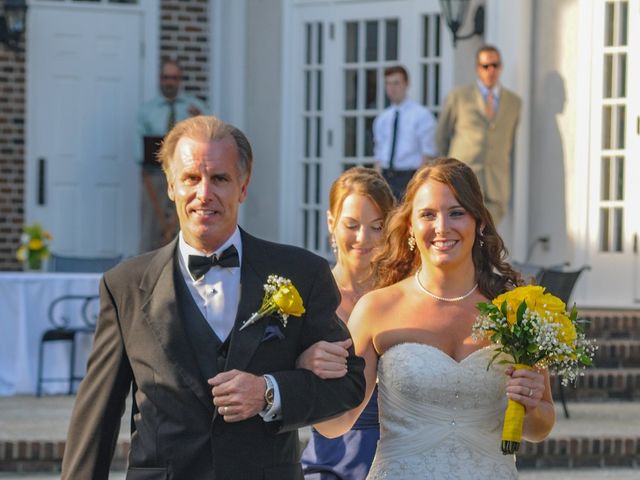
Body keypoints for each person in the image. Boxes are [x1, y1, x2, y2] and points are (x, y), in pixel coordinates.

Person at [61, 115, 366, 479]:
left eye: (219, 178)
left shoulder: (301, 272)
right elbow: (99, 416)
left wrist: (270, 392)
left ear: (243, 187)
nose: (204, 193)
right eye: (191, 178)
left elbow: (349, 384)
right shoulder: (125, 285)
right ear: (172, 185)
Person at [311, 158, 555, 479]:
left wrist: (533, 404)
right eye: (427, 214)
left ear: (479, 222)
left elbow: (539, 428)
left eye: (456, 212)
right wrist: (313, 375)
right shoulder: (377, 309)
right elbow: (335, 424)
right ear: (410, 226)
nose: (442, 227)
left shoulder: (516, 310)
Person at [297, 168, 395, 479]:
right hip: (332, 456)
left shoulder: (402, 296)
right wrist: (301, 362)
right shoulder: (307, 297)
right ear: (331, 223)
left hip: (399, 452)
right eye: (351, 225)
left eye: (376, 227)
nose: (363, 238)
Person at [436, 45, 521, 225]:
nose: (491, 70)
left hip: (497, 185)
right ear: (477, 68)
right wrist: (448, 172)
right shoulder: (459, 97)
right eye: (486, 66)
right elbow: (441, 137)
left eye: (495, 65)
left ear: (501, 67)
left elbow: (510, 143)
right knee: (464, 234)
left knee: (488, 240)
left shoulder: (514, 103)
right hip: (464, 181)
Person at [137, 59, 207, 252]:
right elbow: (138, 144)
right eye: (167, 78)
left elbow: (210, 137)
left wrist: (199, 120)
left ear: (180, 80)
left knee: (187, 221)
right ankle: (146, 271)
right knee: (150, 224)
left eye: (174, 78)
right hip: (156, 174)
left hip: (188, 175)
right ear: (160, 80)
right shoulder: (147, 110)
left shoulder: (196, 107)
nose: (170, 82)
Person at [373, 65, 437, 201]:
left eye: (396, 83)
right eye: (388, 83)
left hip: (409, 177)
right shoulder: (382, 119)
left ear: (406, 84)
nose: (392, 88)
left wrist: (418, 183)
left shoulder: (422, 115)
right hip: (386, 177)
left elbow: (427, 154)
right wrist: (377, 182)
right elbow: (379, 155)